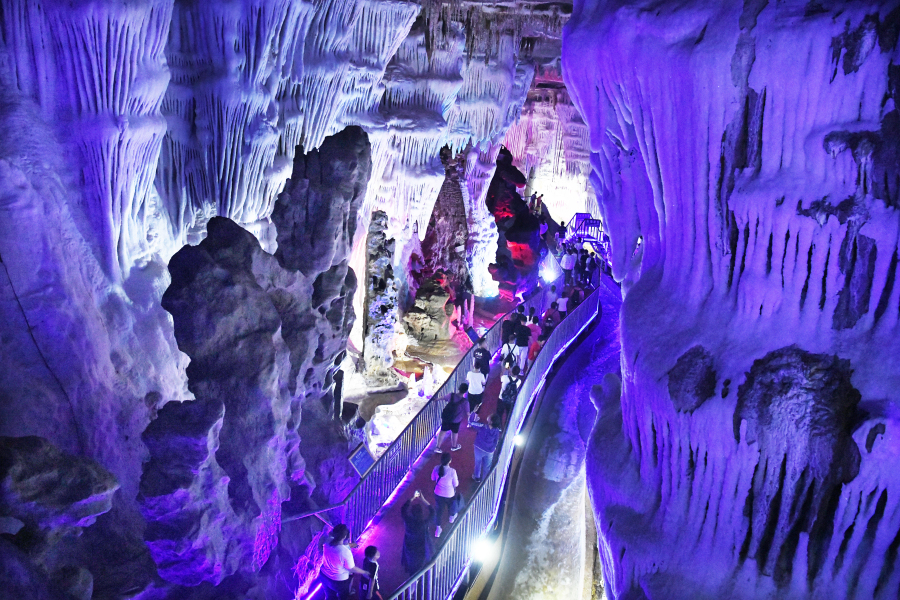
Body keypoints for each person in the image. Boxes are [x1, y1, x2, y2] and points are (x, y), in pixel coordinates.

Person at [318, 524, 368, 600]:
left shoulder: (327, 540)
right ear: (345, 537)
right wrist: (364, 572)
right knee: (343, 596)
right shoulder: (345, 552)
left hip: (324, 576)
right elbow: (351, 569)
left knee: (329, 597)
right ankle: (349, 590)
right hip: (338, 582)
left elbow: (336, 542)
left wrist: (350, 545)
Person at [401, 491, 434, 573]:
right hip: (420, 549)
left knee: (410, 564)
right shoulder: (423, 524)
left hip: (409, 547)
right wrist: (423, 500)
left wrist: (412, 498)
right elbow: (433, 512)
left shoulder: (408, 521)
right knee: (420, 567)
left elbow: (403, 509)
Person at [431, 453, 459, 537]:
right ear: (450, 461)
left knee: (439, 511)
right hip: (449, 494)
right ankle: (451, 517)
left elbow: (432, 478)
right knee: (451, 505)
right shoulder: (452, 471)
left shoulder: (436, 468)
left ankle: (438, 529)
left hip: (438, 493)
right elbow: (456, 484)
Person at [436, 384, 469, 452]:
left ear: (458, 388)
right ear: (465, 391)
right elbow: (468, 413)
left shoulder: (451, 395)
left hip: (446, 417)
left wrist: (436, 399)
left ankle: (438, 447)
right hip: (456, 419)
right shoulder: (465, 402)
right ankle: (454, 446)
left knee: (443, 431)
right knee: (454, 432)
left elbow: (443, 397)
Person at [469, 414, 502, 481]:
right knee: (487, 467)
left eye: (490, 417)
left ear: (491, 421)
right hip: (489, 451)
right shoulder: (497, 431)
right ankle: (484, 482)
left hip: (479, 447)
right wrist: (493, 448)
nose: (488, 416)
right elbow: (496, 440)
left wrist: (473, 413)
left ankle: (477, 477)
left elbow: (471, 422)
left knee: (478, 462)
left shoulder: (482, 426)